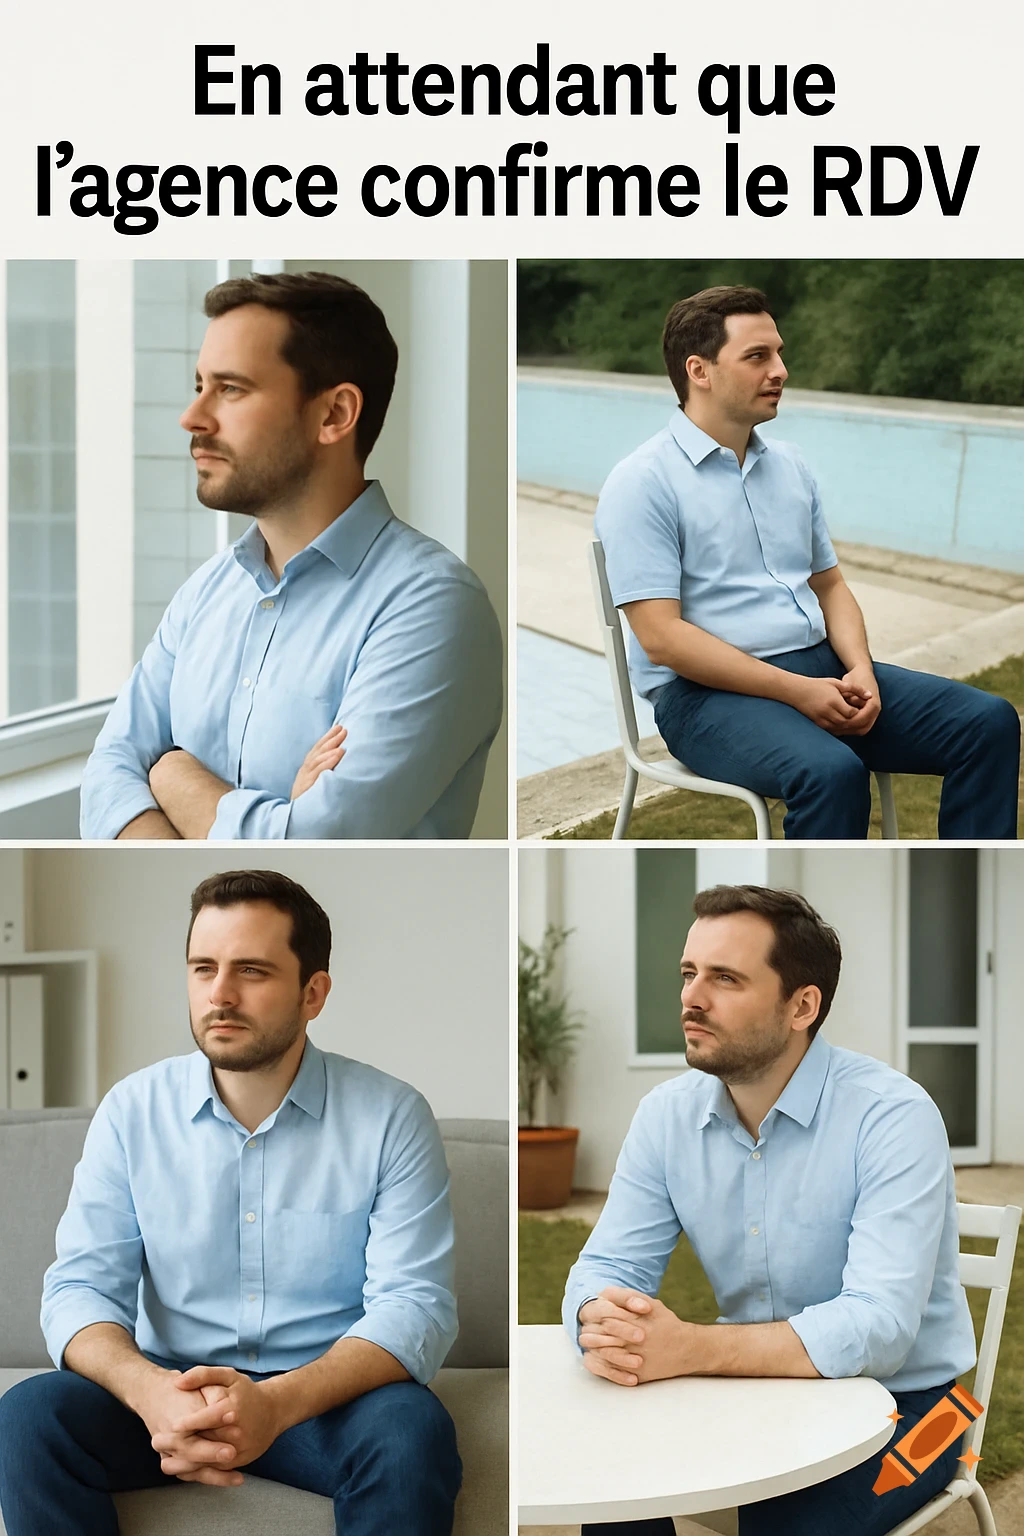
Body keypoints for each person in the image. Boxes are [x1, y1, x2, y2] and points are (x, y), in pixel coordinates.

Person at [0, 869, 462, 1535]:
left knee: (409, 1432)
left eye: (251, 971)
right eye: (202, 968)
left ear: (314, 992)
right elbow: (79, 1290)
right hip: (165, 1398)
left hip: (324, 1405)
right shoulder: (132, 1112)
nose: (219, 994)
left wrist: (273, 1405)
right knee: (28, 1419)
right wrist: (150, 1392)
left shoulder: (392, 1116)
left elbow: (415, 1306)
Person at [563, 884, 977, 1536]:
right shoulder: (666, 1118)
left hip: (926, 1407)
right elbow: (604, 1266)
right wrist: (600, 1317)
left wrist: (690, 1347)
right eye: (688, 973)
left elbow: (881, 1328)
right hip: (757, 1389)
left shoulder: (894, 1117)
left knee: (788, 1522)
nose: (691, 998)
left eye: (725, 978)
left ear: (801, 1006)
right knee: (610, 1487)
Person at [79, 271, 503, 841]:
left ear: (334, 414)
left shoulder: (434, 608)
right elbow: (105, 779)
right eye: (198, 384)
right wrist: (269, 821)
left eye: (230, 389)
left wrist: (170, 772)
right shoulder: (205, 591)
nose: (194, 416)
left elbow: (317, 847)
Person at [594, 285, 1020, 838]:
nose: (781, 370)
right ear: (698, 370)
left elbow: (831, 585)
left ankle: (977, 904)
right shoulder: (642, 481)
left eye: (778, 353)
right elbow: (662, 639)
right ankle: (804, 925)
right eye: (757, 357)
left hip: (822, 667)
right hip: (704, 698)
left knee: (986, 723)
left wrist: (860, 669)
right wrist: (798, 692)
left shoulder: (791, 466)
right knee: (830, 772)